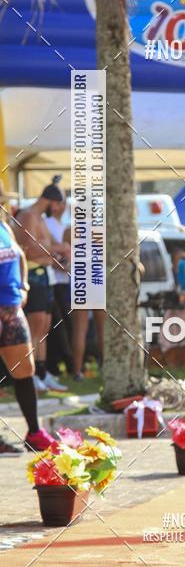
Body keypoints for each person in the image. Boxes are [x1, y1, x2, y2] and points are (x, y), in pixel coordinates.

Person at [0, 180, 54, 454]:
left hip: (12, 307)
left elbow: (20, 255)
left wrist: (24, 286)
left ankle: (34, 432)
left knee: (25, 370)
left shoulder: (5, 226)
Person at [11, 178, 70, 392]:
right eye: (59, 204)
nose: (60, 209)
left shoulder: (41, 218)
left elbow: (44, 245)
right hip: (34, 274)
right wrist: (57, 248)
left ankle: (43, 373)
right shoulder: (28, 216)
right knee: (35, 326)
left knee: (44, 326)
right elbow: (29, 249)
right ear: (52, 201)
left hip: (46, 274)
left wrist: (57, 249)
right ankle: (32, 373)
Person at [45, 197, 73, 380]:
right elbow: (49, 251)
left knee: (64, 326)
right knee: (56, 327)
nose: (64, 206)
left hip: (64, 282)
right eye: (61, 201)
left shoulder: (62, 224)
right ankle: (54, 366)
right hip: (53, 281)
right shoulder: (46, 223)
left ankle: (61, 366)